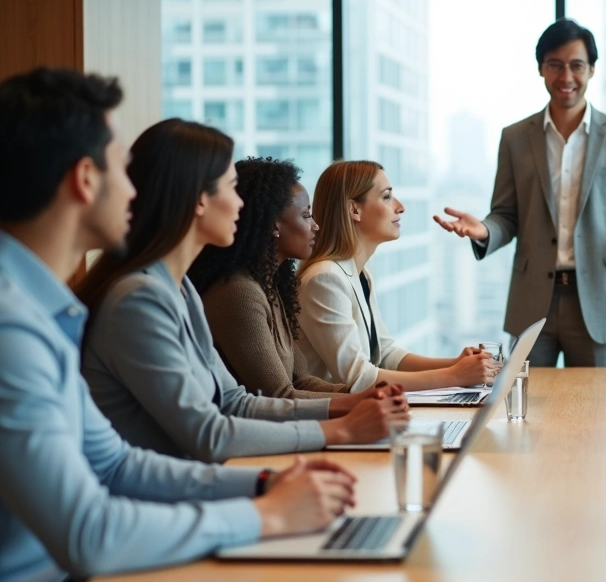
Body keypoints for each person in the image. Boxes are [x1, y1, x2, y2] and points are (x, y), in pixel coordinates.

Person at [0, 67, 356, 581]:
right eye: (121, 169)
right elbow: (88, 535)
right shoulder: (16, 330)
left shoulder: (45, 312)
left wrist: (262, 485)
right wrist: (265, 513)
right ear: (84, 179)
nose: (133, 190)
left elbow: (117, 464)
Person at [75, 119, 409, 463]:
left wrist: (353, 403)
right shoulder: (141, 300)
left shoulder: (183, 290)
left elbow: (235, 402)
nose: (241, 204)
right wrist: (341, 428)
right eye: (231, 188)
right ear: (198, 200)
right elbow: (208, 434)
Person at [433, 18, 606, 368]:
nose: (566, 77)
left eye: (576, 66)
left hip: (598, 302)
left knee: (598, 414)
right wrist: (484, 230)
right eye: (555, 65)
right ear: (541, 68)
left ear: (592, 70)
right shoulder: (514, 138)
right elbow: (506, 215)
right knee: (526, 410)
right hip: (531, 301)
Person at [298, 160, 492, 392]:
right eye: (387, 197)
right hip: (334, 420)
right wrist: (455, 376)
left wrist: (458, 365)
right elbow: (357, 377)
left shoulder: (359, 275)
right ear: (354, 210)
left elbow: (387, 354)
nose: (400, 207)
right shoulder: (324, 279)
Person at [189, 157, 362, 399]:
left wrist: (365, 395)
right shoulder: (239, 293)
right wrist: (358, 402)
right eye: (306, 216)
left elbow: (300, 379)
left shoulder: (270, 285)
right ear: (274, 225)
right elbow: (280, 395)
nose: (316, 226)